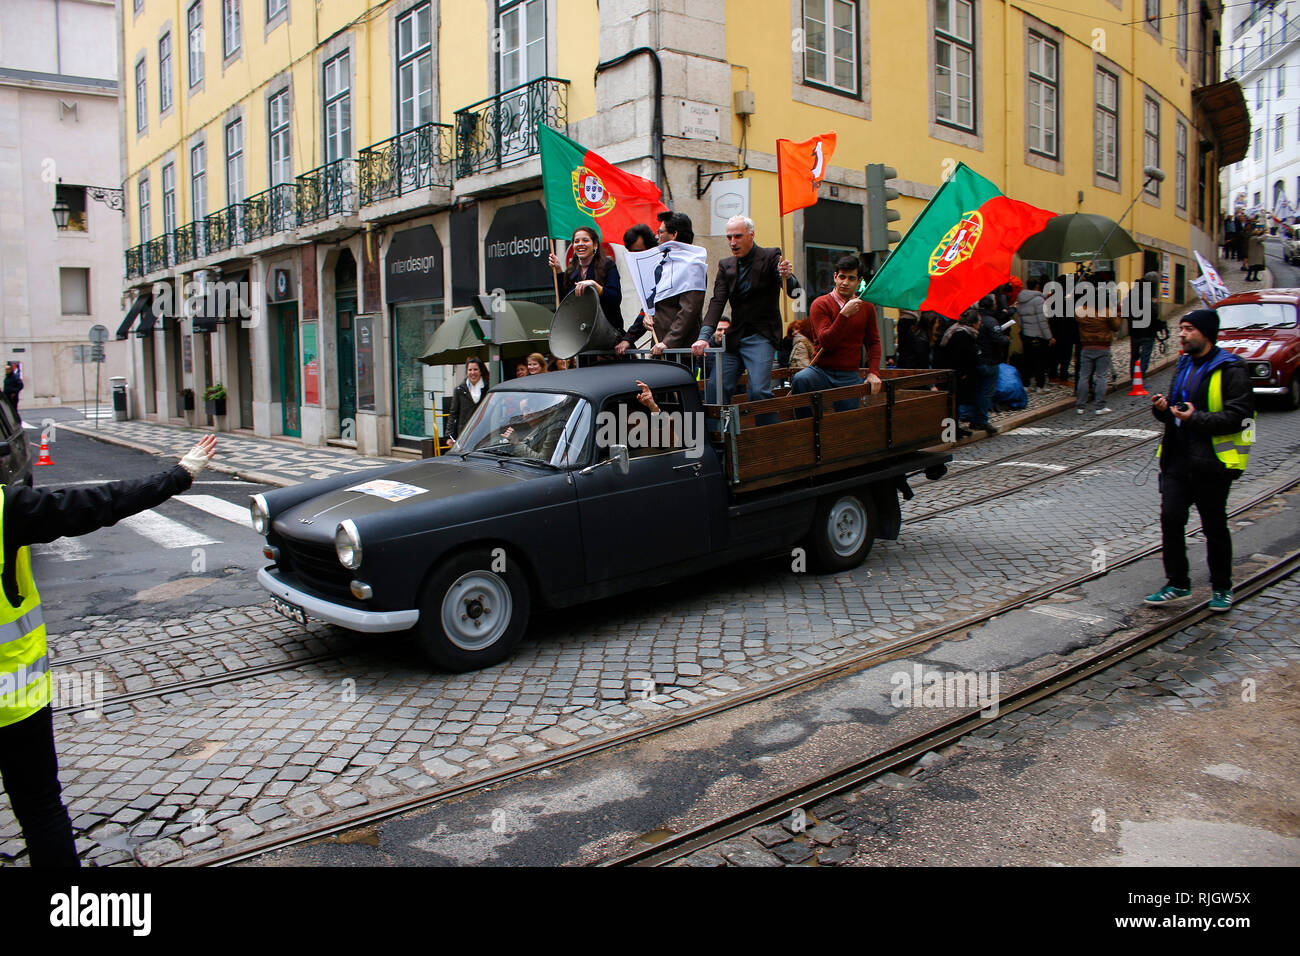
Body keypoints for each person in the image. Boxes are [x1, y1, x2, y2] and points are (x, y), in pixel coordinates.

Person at [0, 434, 219, 867]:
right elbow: (98, 502)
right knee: (41, 811)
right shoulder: (8, 510)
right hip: (13, 699)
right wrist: (178, 475)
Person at [1145, 310, 1254, 612]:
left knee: (1214, 527)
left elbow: (1240, 417)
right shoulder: (1183, 364)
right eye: (1180, 328)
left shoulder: (1231, 369)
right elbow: (1175, 413)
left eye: (1188, 329)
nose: (1181, 334)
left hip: (1213, 463)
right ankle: (1177, 583)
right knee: (1170, 520)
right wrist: (1163, 409)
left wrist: (1194, 417)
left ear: (1205, 333)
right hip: (1177, 460)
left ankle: (1222, 587)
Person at [692, 215, 800, 423]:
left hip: (762, 335)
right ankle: (718, 443)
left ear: (751, 235)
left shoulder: (771, 256)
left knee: (759, 391)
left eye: (738, 236)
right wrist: (704, 336)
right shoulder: (726, 265)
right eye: (729, 237)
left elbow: (795, 293)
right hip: (735, 338)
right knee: (715, 389)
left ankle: (767, 438)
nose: (733, 242)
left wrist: (788, 277)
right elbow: (717, 302)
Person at [793, 255, 882, 412]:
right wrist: (844, 315)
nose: (845, 282)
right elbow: (827, 342)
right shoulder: (821, 304)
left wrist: (873, 372)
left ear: (859, 280)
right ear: (835, 277)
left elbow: (873, 342)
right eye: (842, 276)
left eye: (851, 278)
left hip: (849, 374)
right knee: (801, 379)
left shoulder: (866, 307)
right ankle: (805, 429)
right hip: (821, 371)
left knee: (846, 423)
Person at [548, 225, 623, 328]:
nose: (580, 244)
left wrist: (594, 285)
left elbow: (615, 298)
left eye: (585, 240)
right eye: (576, 241)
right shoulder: (572, 270)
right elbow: (565, 302)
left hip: (606, 330)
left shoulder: (607, 265)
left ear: (595, 245)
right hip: (582, 332)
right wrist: (559, 271)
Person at [1073, 288, 1121, 415]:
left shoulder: (1080, 313)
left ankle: (1080, 406)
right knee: (1101, 376)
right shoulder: (1106, 312)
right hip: (1102, 346)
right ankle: (1099, 406)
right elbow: (1116, 327)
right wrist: (1118, 313)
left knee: (1083, 376)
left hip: (1086, 346)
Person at [934, 310, 980, 439]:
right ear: (973, 323)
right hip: (957, 375)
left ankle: (955, 429)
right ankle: (952, 431)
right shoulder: (961, 335)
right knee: (954, 401)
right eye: (979, 322)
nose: (980, 324)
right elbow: (962, 356)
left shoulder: (956, 331)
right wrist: (963, 373)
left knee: (956, 402)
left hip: (956, 374)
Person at [615, 223, 658, 356]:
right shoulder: (643, 271)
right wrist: (628, 339)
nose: (634, 257)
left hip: (675, 343)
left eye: (638, 252)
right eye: (630, 252)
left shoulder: (662, 268)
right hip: (658, 346)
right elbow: (645, 311)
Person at [971, 295, 1006, 434]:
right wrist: (1005, 338)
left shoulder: (975, 318)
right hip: (989, 361)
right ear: (992, 305)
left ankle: (975, 419)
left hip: (978, 360)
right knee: (986, 392)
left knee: (978, 391)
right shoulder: (991, 321)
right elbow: (998, 340)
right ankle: (981, 420)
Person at [1015, 278, 1051, 392]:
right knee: (1041, 360)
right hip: (1039, 335)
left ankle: (1026, 384)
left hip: (1026, 333)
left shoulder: (1020, 300)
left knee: (1027, 359)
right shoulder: (1038, 300)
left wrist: (1024, 329)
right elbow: (1042, 320)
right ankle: (1040, 386)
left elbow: (1019, 318)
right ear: (1037, 286)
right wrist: (1049, 336)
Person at [1127, 271, 1163, 380]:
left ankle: (1134, 377)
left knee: (1134, 356)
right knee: (1144, 356)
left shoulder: (1132, 293)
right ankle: (1139, 379)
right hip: (1147, 332)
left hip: (1134, 331)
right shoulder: (1150, 295)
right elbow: (1154, 314)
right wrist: (1155, 304)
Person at [445, 357, 488, 448]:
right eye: (470, 370)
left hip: (484, 433)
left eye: (475, 369)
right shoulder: (459, 390)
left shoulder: (488, 388)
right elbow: (453, 414)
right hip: (464, 433)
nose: (472, 373)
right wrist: (449, 436)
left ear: (480, 371)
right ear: (467, 372)